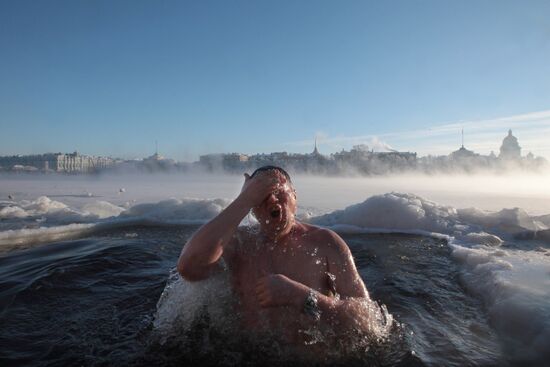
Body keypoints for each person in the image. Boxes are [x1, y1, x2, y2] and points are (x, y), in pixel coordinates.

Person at [177, 166, 384, 347]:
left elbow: (368, 321)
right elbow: (189, 267)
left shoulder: (325, 243)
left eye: (278, 191)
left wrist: (302, 296)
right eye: (261, 197)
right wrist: (244, 200)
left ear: (295, 197)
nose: (272, 200)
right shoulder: (238, 244)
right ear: (252, 208)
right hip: (249, 355)